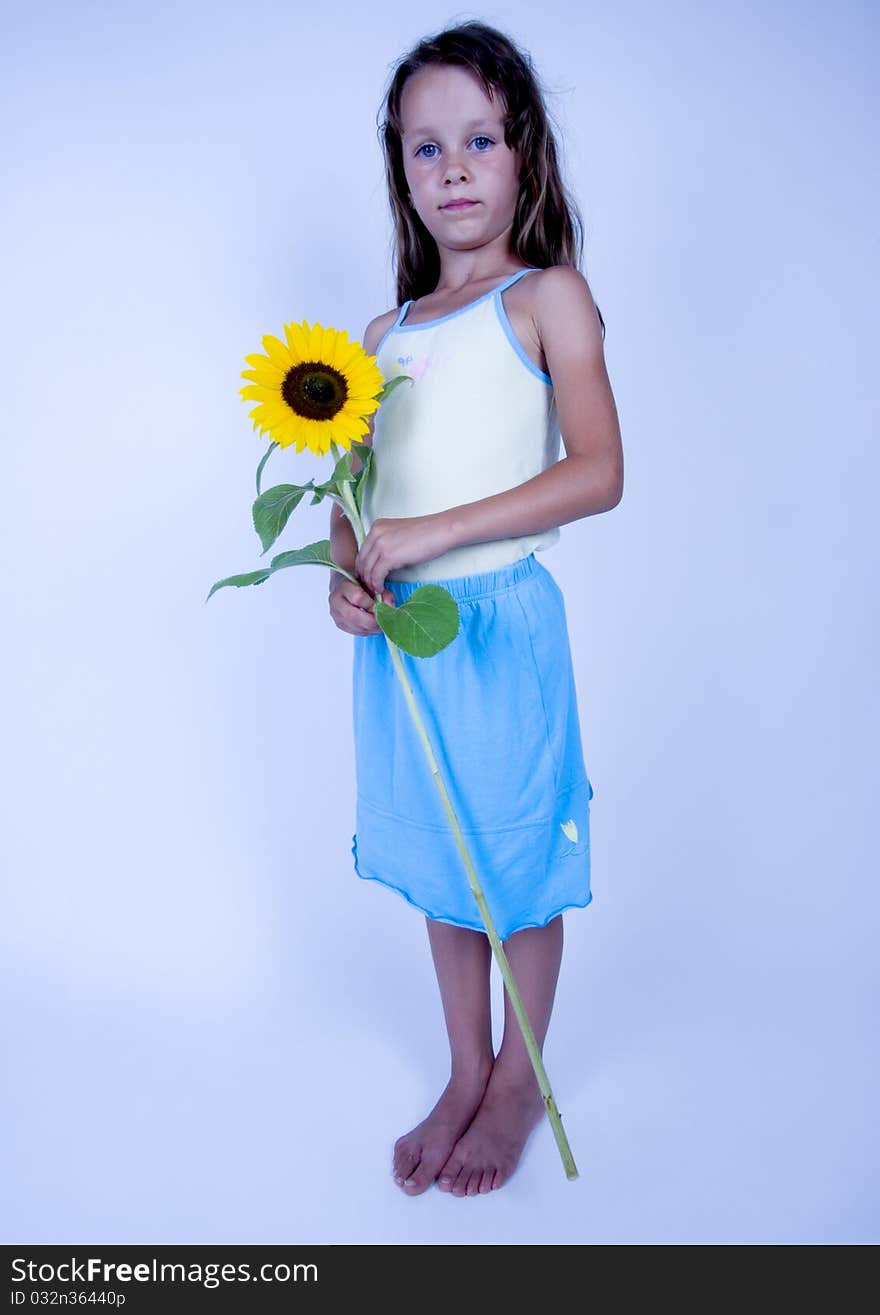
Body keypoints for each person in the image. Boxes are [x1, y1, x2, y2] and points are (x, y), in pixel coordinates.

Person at [328, 20, 623, 1198]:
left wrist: (443, 533)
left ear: (524, 156)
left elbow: (599, 470)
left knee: (511, 864)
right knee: (445, 864)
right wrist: (347, 576)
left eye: (479, 140)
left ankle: (516, 1075)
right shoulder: (377, 338)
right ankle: (463, 1064)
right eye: (423, 148)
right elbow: (354, 498)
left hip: (497, 627)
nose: (451, 167)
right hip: (404, 644)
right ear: (399, 171)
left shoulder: (546, 297)